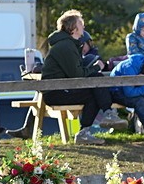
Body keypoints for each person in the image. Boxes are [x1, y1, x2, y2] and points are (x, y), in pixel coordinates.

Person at [41, 9, 122, 145]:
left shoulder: (69, 44)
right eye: (81, 23)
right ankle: (106, 116)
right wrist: (97, 67)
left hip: (62, 88)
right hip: (55, 92)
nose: (83, 26)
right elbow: (77, 75)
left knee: (95, 90)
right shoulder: (65, 46)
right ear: (73, 28)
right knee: (95, 88)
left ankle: (92, 127)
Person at [109, 53, 144, 143]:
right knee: (139, 101)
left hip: (135, 88)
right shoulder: (129, 69)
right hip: (118, 91)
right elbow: (129, 93)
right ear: (141, 75)